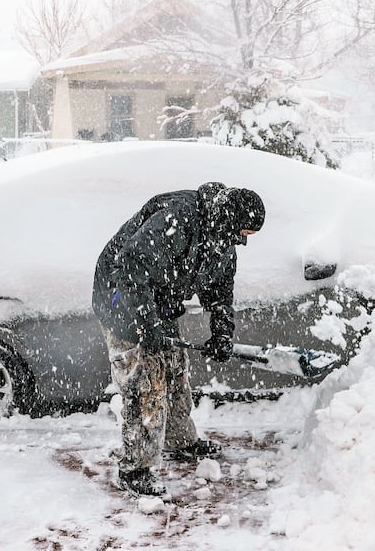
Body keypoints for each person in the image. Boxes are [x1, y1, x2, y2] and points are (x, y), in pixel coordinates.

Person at [92, 182, 266, 497]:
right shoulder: (179, 216)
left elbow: (220, 292)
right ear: (228, 219)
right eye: (243, 232)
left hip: (159, 304)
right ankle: (135, 468)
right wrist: (146, 325)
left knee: (173, 369)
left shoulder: (222, 238)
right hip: (123, 300)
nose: (243, 241)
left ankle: (179, 441)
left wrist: (222, 333)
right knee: (146, 384)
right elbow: (131, 267)